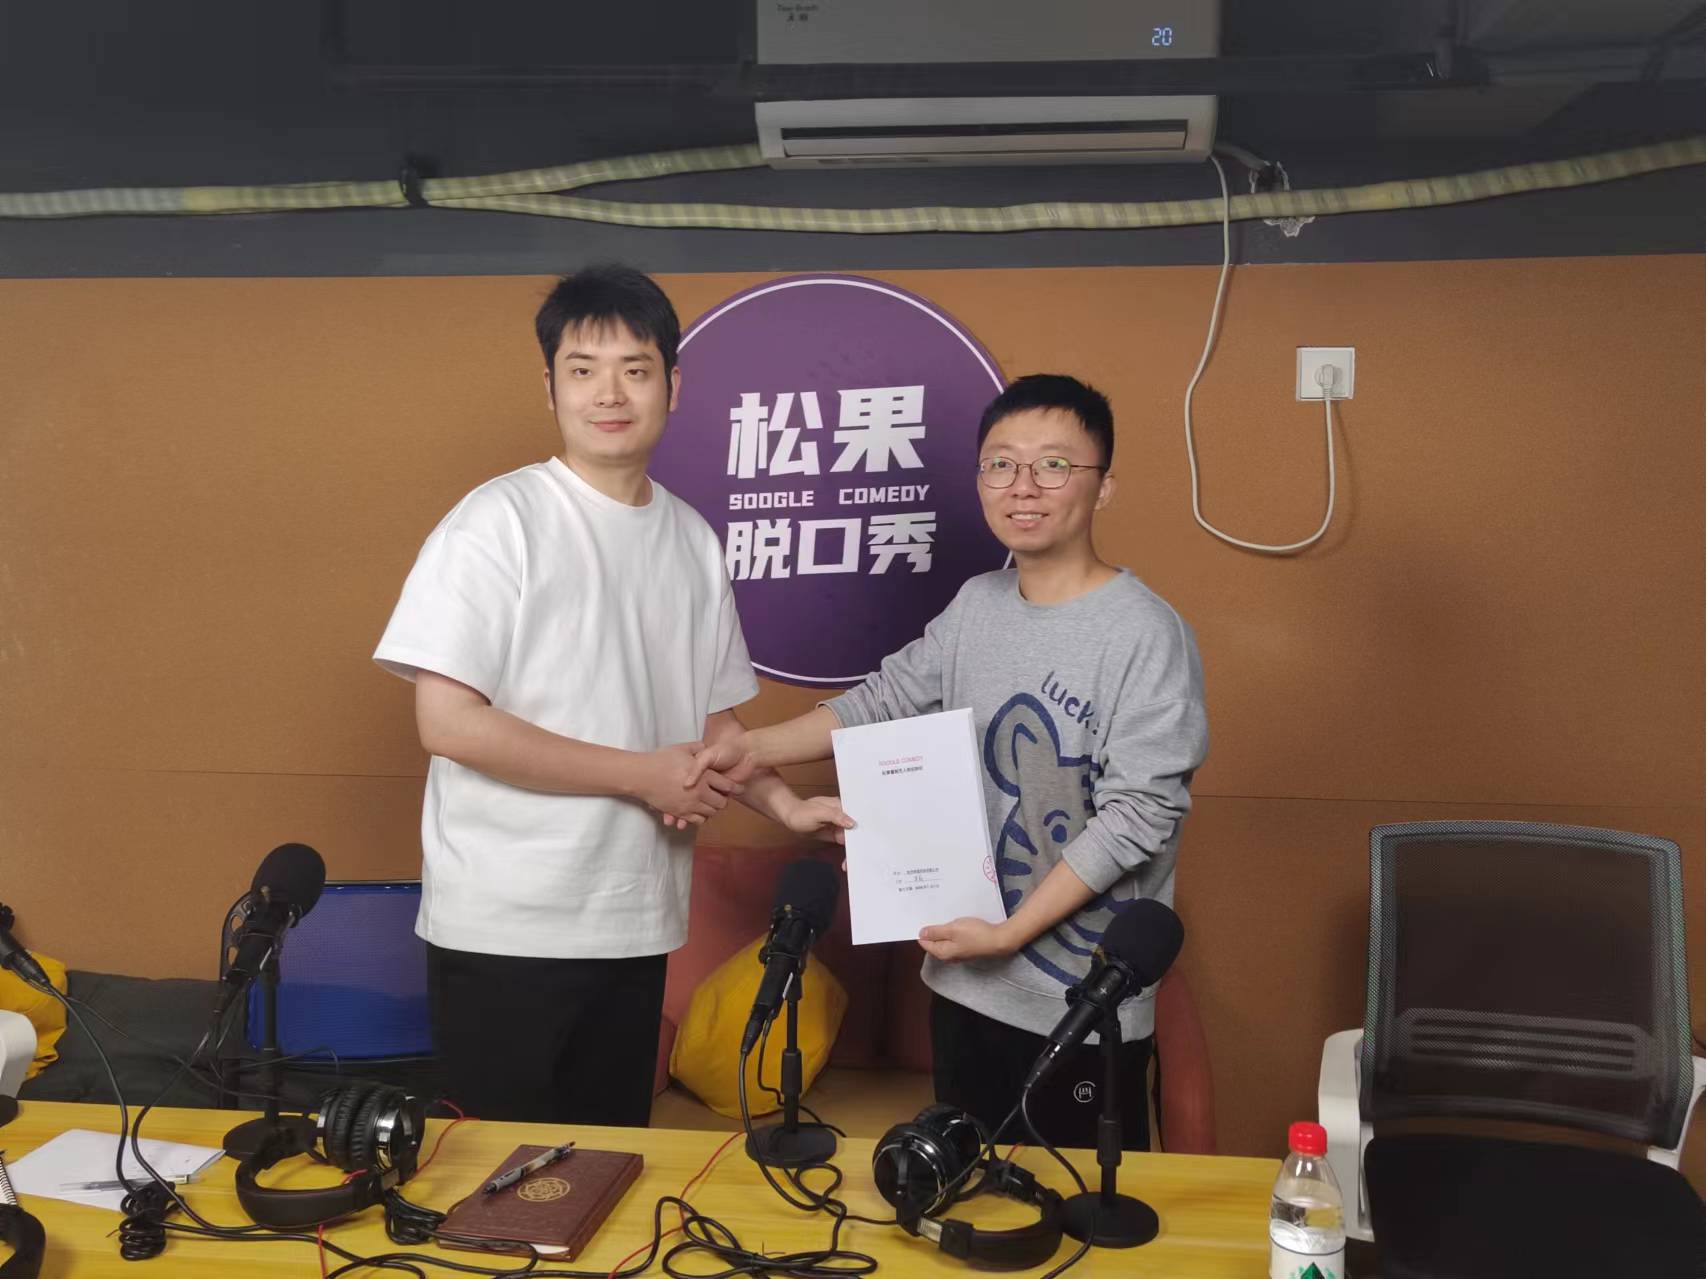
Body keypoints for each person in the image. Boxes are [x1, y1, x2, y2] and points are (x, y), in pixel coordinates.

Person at [374, 264, 847, 1126]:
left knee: (609, 1168)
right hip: (508, 920)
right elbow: (447, 722)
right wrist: (640, 773)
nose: (610, 392)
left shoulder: (691, 539)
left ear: (673, 384)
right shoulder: (498, 521)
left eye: (635, 368)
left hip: (635, 916)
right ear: (549, 386)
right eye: (583, 369)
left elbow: (711, 721)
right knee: (505, 1181)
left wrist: (787, 806)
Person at [691, 374, 1208, 1149]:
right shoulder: (977, 605)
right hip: (965, 985)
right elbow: (884, 697)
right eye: (1001, 463)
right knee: (964, 1194)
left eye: (1054, 465)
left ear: (1103, 487)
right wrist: (749, 748)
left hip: (1082, 1003)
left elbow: (1139, 815)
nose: (1023, 485)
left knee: (1076, 1210)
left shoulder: (1144, 633)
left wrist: (1010, 933)